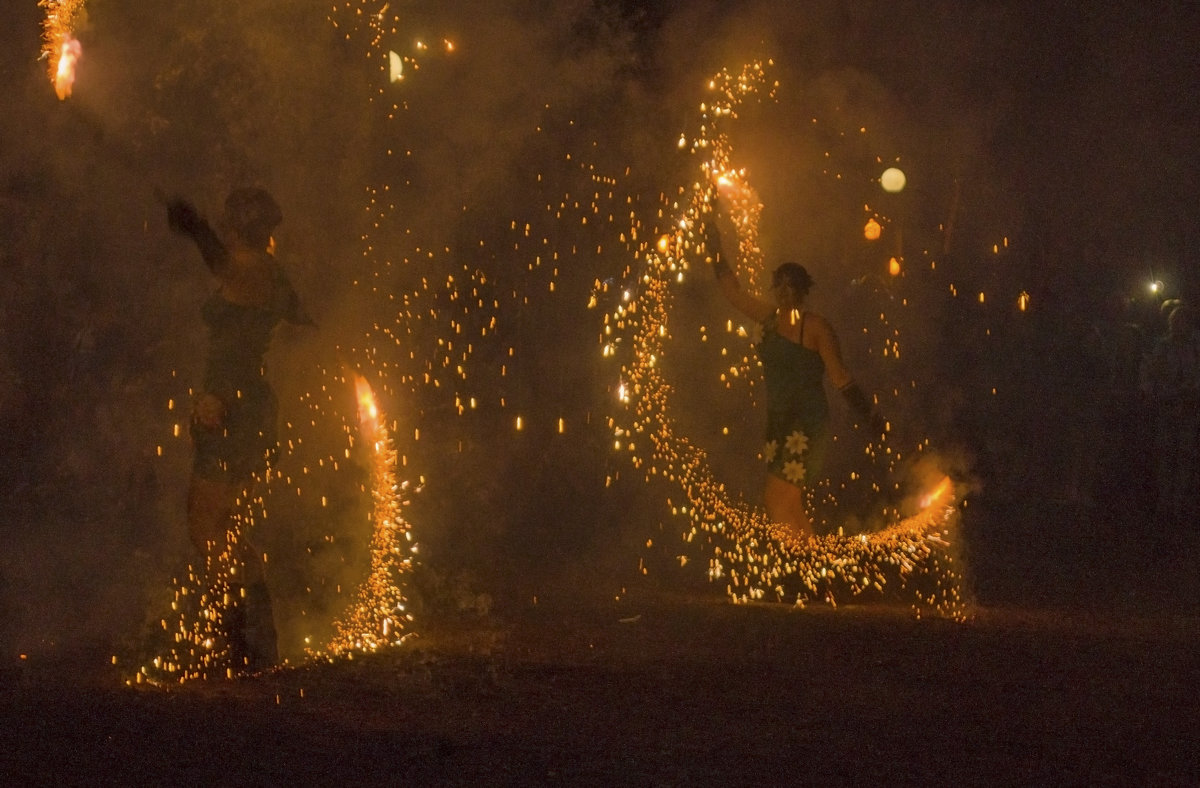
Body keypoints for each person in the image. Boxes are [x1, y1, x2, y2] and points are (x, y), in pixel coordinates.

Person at [166, 187, 314, 671]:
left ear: (236, 225)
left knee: (207, 525)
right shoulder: (267, 271)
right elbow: (303, 321)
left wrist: (195, 228)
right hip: (240, 406)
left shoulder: (251, 267)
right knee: (222, 527)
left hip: (233, 410)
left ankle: (242, 642)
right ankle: (251, 644)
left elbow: (220, 264)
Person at [706, 211, 883, 540]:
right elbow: (733, 293)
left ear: (803, 291)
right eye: (780, 284)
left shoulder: (814, 327)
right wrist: (713, 242)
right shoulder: (769, 319)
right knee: (787, 503)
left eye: (793, 285)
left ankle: (802, 572)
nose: (785, 291)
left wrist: (869, 415)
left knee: (776, 499)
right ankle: (813, 577)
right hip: (779, 420)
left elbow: (840, 377)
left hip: (806, 423)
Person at [1140, 302, 1200, 530]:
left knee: (1183, 454)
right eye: (1174, 322)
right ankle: (1165, 501)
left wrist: (1191, 388)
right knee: (1165, 454)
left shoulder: (1195, 346)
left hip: (1188, 405)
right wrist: (1151, 392)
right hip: (1166, 405)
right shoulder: (1162, 346)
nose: (1177, 326)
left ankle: (1177, 502)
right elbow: (1149, 372)